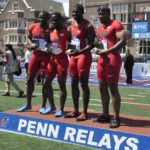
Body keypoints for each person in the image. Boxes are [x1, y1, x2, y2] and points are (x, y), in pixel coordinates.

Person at [93, 6, 127, 128]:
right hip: (102, 59)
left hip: (112, 59)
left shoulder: (116, 24)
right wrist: (97, 47)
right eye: (99, 14)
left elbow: (123, 41)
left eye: (102, 14)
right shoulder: (100, 28)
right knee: (102, 87)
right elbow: (100, 42)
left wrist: (107, 52)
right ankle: (105, 114)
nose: (100, 16)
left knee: (113, 88)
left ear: (108, 13)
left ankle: (116, 117)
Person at [64, 3, 95, 121]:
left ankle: (85, 112)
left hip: (84, 56)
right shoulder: (70, 24)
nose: (74, 14)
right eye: (73, 12)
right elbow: (69, 39)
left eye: (76, 12)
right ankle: (76, 110)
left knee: (83, 84)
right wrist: (68, 49)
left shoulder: (88, 26)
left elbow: (92, 44)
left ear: (82, 12)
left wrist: (80, 52)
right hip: (73, 56)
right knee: (73, 83)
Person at [17, 11, 51, 112]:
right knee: (29, 79)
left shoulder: (50, 29)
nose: (41, 20)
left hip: (46, 56)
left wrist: (48, 47)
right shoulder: (33, 26)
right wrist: (31, 44)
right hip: (35, 55)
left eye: (43, 18)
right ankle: (28, 104)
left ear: (47, 19)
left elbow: (53, 41)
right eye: (40, 18)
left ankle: (43, 105)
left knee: (45, 81)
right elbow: (28, 38)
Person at [41, 12, 69, 117]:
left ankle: (61, 109)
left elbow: (73, 43)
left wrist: (69, 49)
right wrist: (48, 47)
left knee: (62, 85)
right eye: (52, 19)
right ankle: (52, 105)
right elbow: (48, 42)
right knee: (46, 82)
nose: (53, 21)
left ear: (60, 20)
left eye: (55, 19)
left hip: (62, 60)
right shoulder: (51, 30)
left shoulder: (66, 30)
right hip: (52, 59)